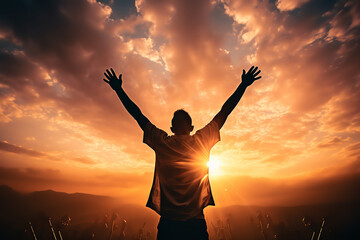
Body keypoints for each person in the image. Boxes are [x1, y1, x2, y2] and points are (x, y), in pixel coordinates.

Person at [103, 66, 261, 240]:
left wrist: (119, 90)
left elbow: (138, 115)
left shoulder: (163, 142)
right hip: (195, 223)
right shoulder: (200, 141)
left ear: (171, 128)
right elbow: (224, 112)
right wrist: (243, 86)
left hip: (169, 224)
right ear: (191, 128)